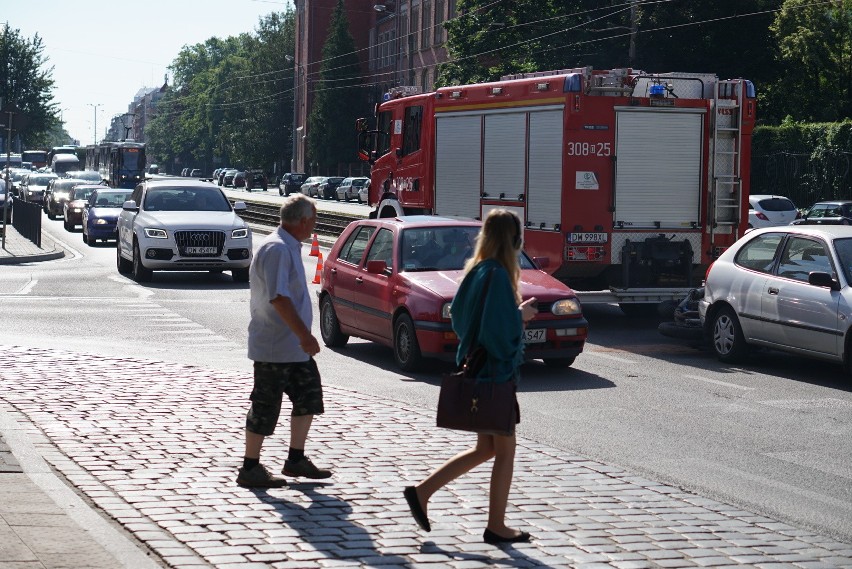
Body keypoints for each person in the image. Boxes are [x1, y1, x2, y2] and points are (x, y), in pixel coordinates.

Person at [403, 209, 537, 544]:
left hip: (479, 369)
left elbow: (462, 318)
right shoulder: (497, 276)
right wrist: (520, 317)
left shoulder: (477, 270)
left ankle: (422, 492)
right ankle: (497, 525)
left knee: (486, 448)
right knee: (504, 450)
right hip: (494, 373)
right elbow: (498, 331)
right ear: (513, 241)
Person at [237, 193, 332, 488]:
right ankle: (250, 467)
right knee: (265, 405)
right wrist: (305, 335)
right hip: (276, 344)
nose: (314, 226)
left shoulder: (288, 246)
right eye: (313, 220)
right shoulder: (277, 249)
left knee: (309, 396)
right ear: (303, 221)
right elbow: (279, 298)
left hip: (292, 347)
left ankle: (295, 459)